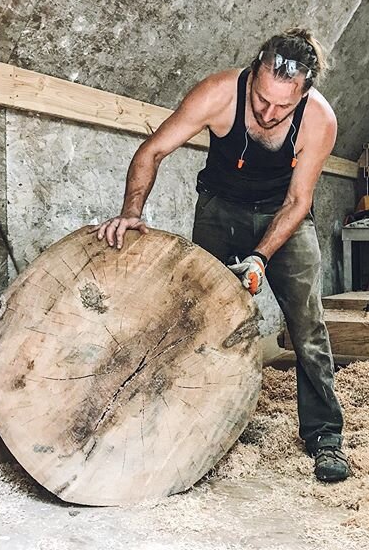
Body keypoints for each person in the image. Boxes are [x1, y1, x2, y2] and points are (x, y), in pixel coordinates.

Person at [93, 28, 349, 482]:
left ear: (304, 93)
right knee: (198, 317)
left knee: (308, 326)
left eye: (283, 106)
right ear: (253, 73)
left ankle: (325, 435)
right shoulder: (217, 92)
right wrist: (131, 213)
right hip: (220, 207)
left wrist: (259, 257)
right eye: (261, 100)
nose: (269, 114)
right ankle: (200, 424)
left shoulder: (320, 120)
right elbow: (152, 151)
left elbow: (298, 202)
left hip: (284, 216)